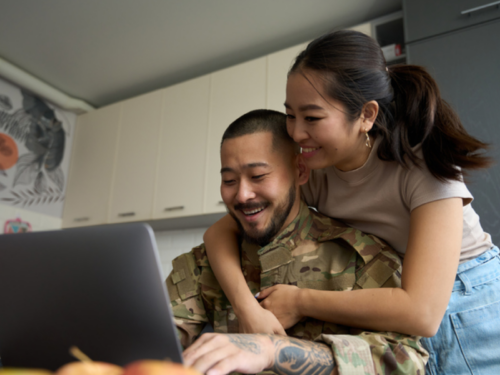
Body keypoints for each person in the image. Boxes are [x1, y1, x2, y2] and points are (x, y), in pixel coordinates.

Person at [203, 30, 500, 375]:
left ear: (366, 115)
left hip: (466, 299)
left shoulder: (423, 165)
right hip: (387, 295)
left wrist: (300, 300)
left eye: (312, 118)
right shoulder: (314, 170)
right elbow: (219, 233)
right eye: (290, 115)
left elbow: (422, 312)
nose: (297, 133)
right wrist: (246, 308)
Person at [167, 109, 428, 375]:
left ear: (300, 171)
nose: (242, 195)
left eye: (258, 176)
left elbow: (406, 362)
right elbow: (155, 341)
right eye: (229, 181)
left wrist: (279, 352)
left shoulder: (361, 258)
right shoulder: (201, 265)